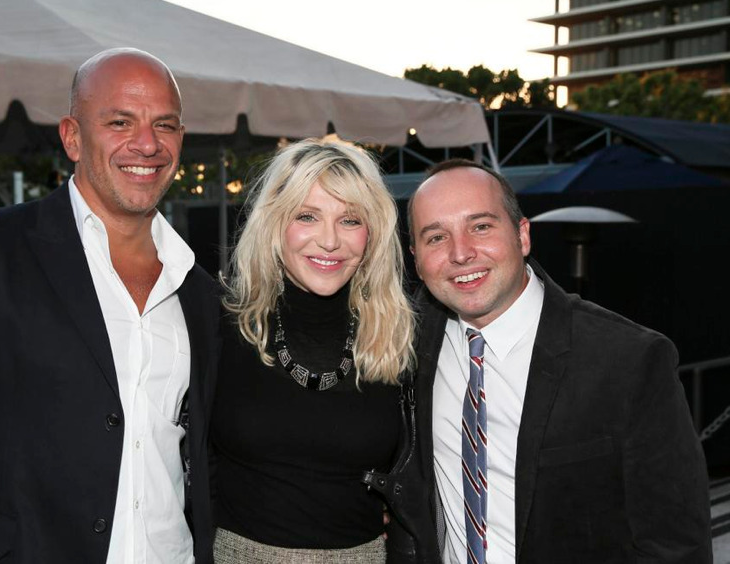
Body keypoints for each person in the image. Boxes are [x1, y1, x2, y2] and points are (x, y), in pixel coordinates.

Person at [0, 48, 221, 564]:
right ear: (73, 137)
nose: (146, 144)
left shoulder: (200, 292)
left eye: (164, 125)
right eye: (120, 121)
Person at [370, 159, 712, 563]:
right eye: (436, 237)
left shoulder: (628, 360)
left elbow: (676, 545)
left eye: (481, 226)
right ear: (415, 258)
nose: (461, 253)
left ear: (522, 234)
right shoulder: (406, 342)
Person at [212, 138, 416, 562]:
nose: (329, 241)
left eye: (350, 220)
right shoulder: (218, 327)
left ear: (372, 234)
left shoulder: (403, 339)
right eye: (307, 216)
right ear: (275, 225)